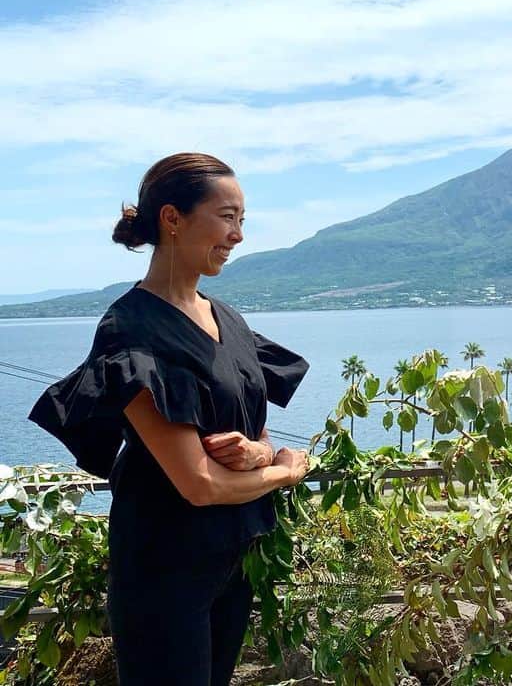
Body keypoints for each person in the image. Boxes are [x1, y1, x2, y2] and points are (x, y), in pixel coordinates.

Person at [28, 153, 311, 686]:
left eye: (242, 220)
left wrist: (258, 453)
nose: (238, 236)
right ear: (172, 219)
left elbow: (256, 431)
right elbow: (199, 483)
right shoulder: (130, 329)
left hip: (231, 561)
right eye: (227, 217)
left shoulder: (228, 318)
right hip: (165, 570)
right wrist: (286, 471)